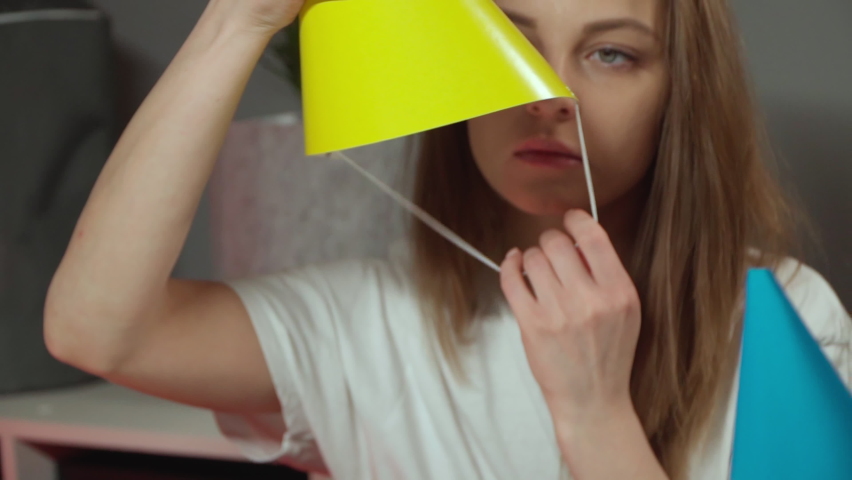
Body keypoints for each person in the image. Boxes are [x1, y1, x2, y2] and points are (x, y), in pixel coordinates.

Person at [43, 0, 852, 478]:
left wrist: (595, 410)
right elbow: (93, 329)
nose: (548, 95)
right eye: (513, 43)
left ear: (679, 93)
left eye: (611, 53)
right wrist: (238, 21)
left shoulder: (786, 315)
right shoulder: (363, 319)